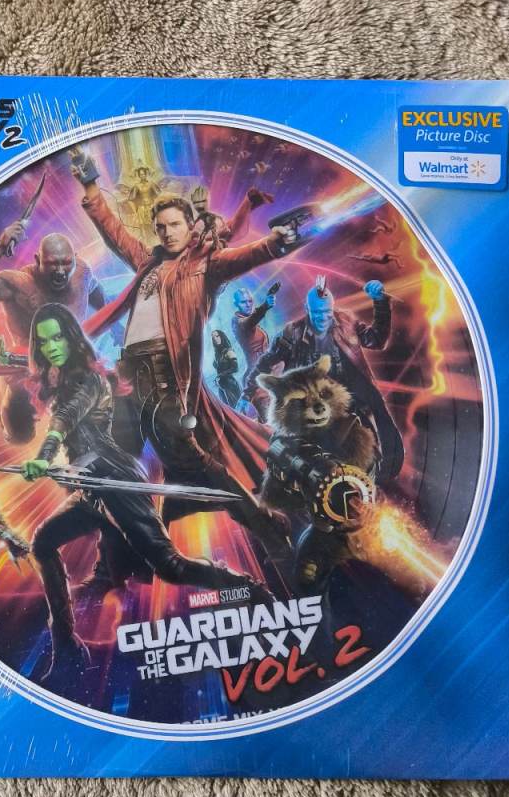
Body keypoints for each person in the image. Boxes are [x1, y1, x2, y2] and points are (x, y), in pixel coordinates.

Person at [70, 145, 308, 570]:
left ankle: (267, 526)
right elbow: (113, 231)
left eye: (175, 225)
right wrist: (89, 183)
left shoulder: (203, 266)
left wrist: (277, 242)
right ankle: (118, 559)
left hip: (166, 372)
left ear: (189, 226)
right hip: (129, 374)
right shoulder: (147, 262)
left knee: (192, 458)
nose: (167, 233)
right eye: (161, 227)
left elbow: (246, 255)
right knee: (116, 462)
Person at [20, 304, 263, 678]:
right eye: (43, 341)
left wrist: (43, 456)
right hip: (91, 487)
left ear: (70, 337)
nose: (51, 347)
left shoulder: (88, 379)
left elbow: (64, 420)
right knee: (42, 543)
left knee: (171, 567)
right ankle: (67, 648)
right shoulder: (61, 376)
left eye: (57, 338)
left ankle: (246, 588)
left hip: (116, 482)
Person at [0, 222, 105, 443]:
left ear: (75, 258)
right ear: (37, 260)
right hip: (27, 372)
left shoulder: (82, 271)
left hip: (72, 367)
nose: (60, 271)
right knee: (19, 434)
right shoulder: (18, 284)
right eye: (52, 264)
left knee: (95, 422)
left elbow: (94, 290)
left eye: (66, 262)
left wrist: (113, 323)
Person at [243, 275, 404, 482]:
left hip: (350, 388)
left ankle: (385, 473)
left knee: (376, 421)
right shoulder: (292, 333)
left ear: (333, 308)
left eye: (327, 312)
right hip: (312, 395)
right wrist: (247, 394)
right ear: (307, 309)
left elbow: (376, 340)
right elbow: (265, 363)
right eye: (317, 313)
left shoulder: (346, 321)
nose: (323, 318)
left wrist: (380, 303)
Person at [231, 284, 277, 421]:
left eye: (250, 301)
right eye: (243, 302)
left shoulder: (251, 322)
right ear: (236, 304)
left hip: (266, 375)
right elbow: (249, 322)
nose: (248, 304)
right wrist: (265, 306)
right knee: (271, 422)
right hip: (256, 380)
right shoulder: (239, 323)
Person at [210, 330, 241, 407]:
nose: (215, 339)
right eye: (213, 337)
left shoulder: (229, 351)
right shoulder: (217, 354)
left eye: (217, 336)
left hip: (230, 385)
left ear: (222, 336)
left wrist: (220, 375)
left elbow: (235, 368)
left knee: (234, 408)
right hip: (222, 386)